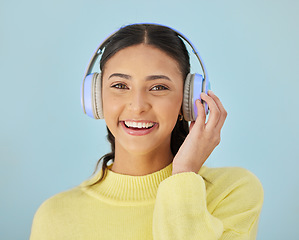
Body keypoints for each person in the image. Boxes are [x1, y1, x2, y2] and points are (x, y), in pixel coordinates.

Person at [30, 23, 264, 240]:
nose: (138, 105)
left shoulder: (233, 191)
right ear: (96, 97)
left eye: (159, 87)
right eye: (120, 86)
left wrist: (183, 174)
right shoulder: (55, 216)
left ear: (188, 100)